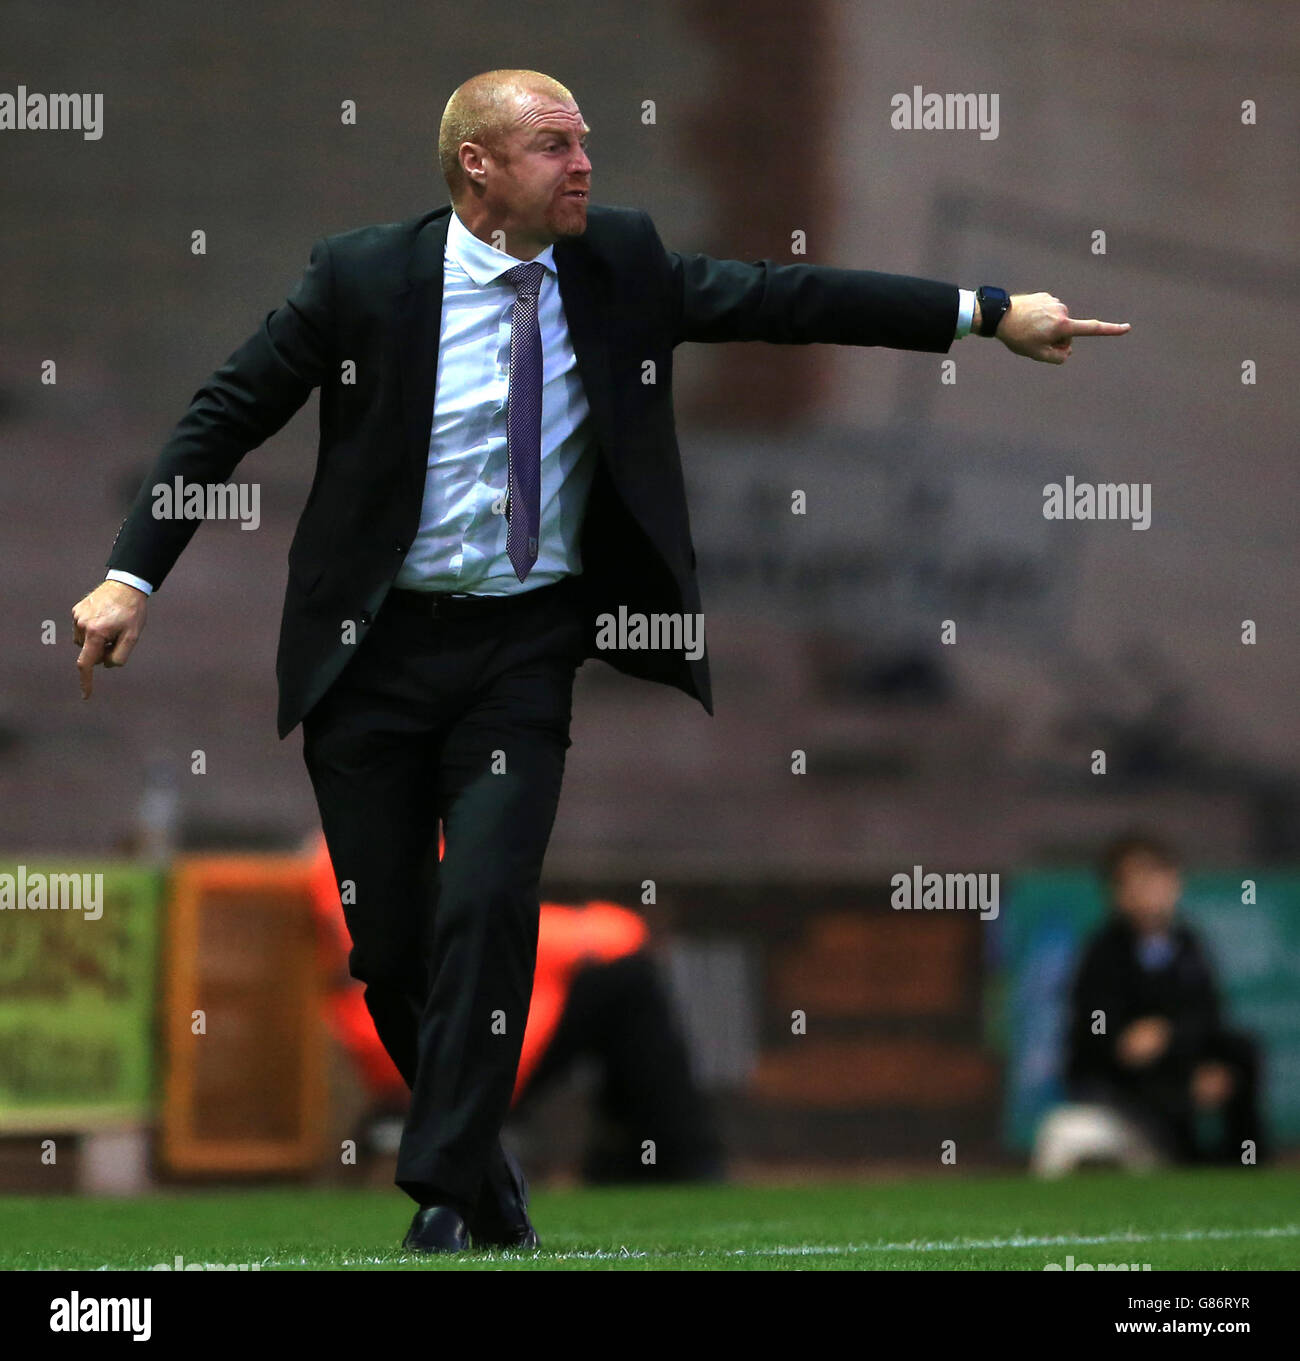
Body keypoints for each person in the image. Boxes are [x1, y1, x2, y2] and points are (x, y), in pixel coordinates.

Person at [70, 68, 1131, 1253]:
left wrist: (985, 309)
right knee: (393, 949)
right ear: (476, 164)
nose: (584, 165)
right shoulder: (361, 277)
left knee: (488, 900)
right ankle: (488, 1181)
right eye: (554, 145)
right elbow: (224, 412)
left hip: (521, 650)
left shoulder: (616, 264)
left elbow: (784, 297)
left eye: (588, 145)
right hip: (370, 656)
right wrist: (130, 574)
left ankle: (437, 1188)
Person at [305, 830, 727, 1184]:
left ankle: (637, 1154)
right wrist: (597, 928)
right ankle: (672, 1156)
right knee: (625, 979)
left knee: (613, 984)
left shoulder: (354, 843)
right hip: (432, 1048)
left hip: (435, 1032)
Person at [1064, 834, 1269, 1165]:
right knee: (1160, 1081)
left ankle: (1246, 1164)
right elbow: (1092, 1027)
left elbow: (1207, 1013)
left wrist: (1179, 1043)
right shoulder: (1103, 952)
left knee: (1242, 1052)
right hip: (1123, 1076)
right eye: (1135, 881)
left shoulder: (1188, 944)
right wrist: (1122, 1039)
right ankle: (1186, 1164)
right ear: (1117, 893)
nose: (1148, 891)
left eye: (1156, 878)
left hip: (1180, 1058)